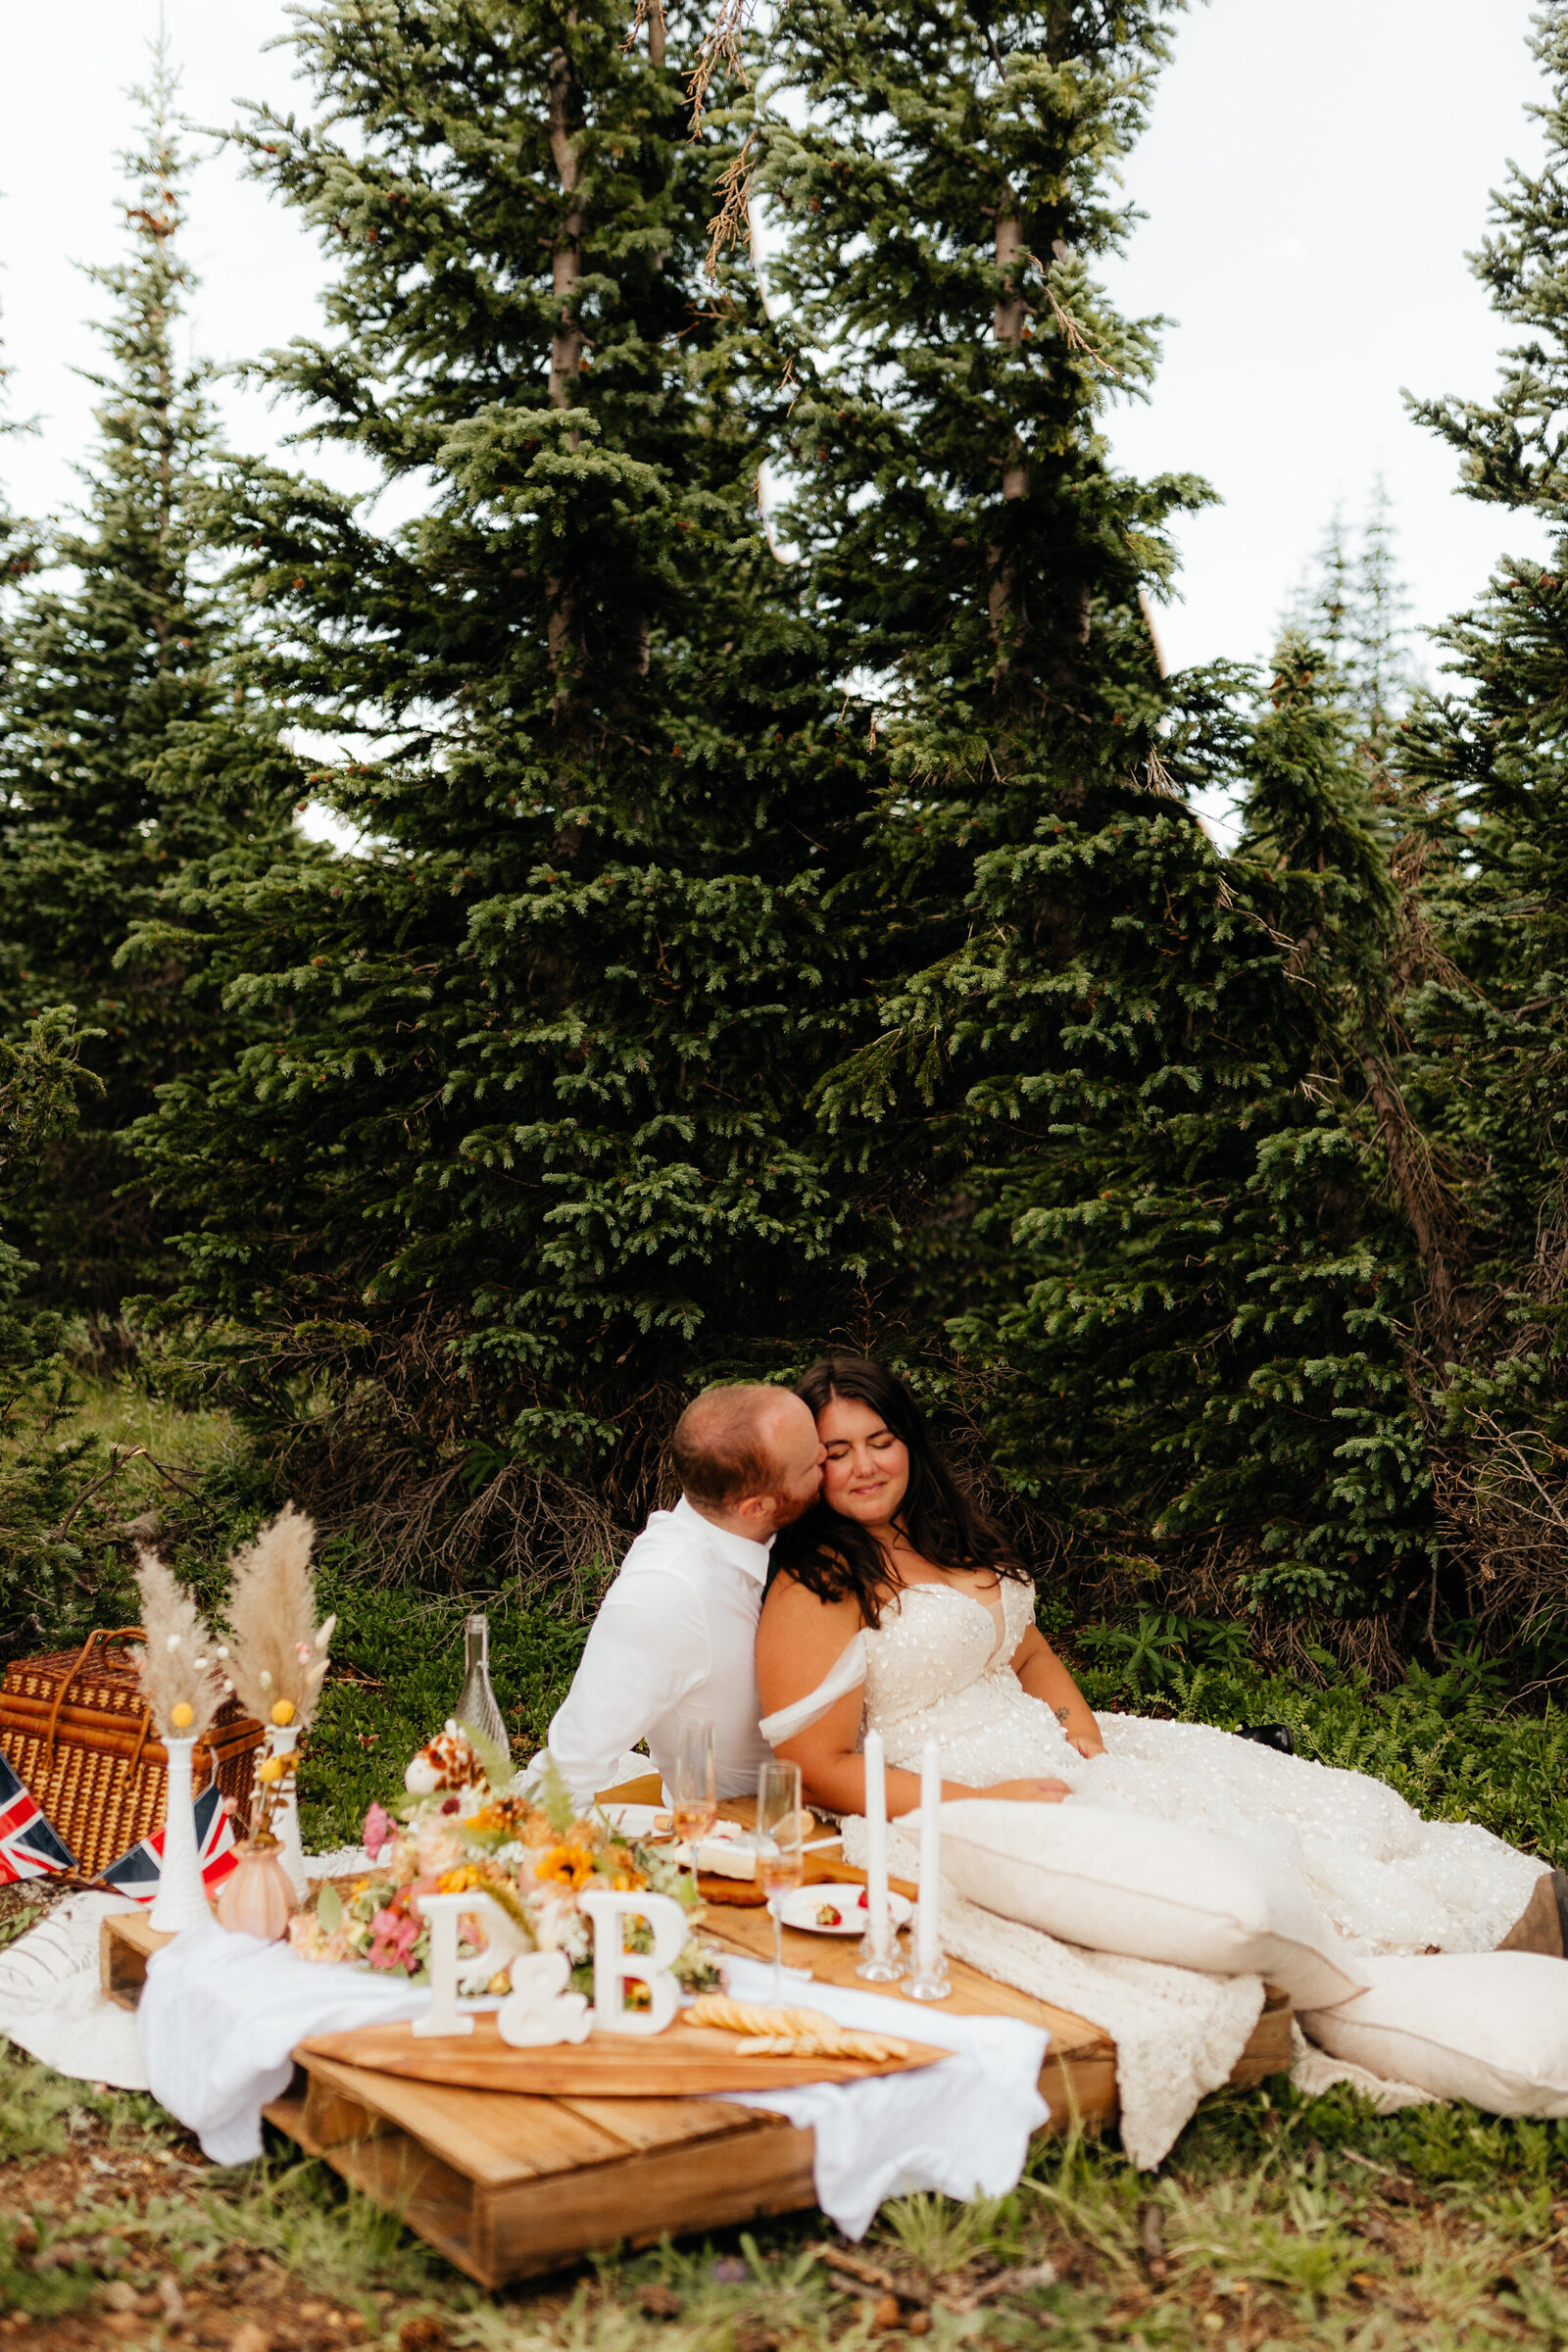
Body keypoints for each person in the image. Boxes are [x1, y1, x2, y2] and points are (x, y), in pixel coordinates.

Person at [757, 1357, 1561, 1959]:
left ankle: (1511, 1914)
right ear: (807, 1468)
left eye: (880, 1441)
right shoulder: (820, 1581)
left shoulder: (941, 1536)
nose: (864, 1466)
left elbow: (1027, 1651)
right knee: (1218, 1858)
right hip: (953, 1785)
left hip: (1057, 1745)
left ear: (909, 1445)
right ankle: (1426, 1955)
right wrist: (976, 1803)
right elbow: (815, 1761)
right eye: (836, 1451)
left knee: (1322, 1807)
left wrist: (1086, 1737)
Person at [546, 1382, 824, 1804]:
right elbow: (569, 1770)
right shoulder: (666, 1593)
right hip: (739, 1839)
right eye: (812, 1465)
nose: (829, 1458)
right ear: (756, 1507)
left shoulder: (772, 1531)